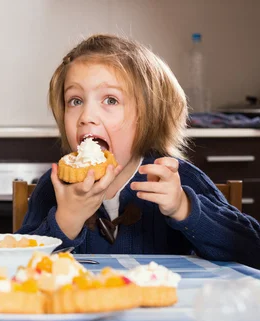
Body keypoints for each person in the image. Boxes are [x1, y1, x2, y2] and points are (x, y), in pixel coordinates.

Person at [16, 34, 260, 269]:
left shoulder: (179, 179)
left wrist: (183, 207)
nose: (86, 117)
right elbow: (16, 267)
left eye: (110, 100)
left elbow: (252, 250)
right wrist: (65, 221)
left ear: (147, 117)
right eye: (75, 101)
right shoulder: (54, 186)